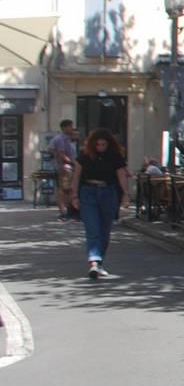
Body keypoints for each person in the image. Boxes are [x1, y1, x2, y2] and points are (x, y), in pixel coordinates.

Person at [72, 127, 129, 279]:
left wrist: (126, 195)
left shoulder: (115, 157)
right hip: (88, 192)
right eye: (98, 145)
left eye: (104, 145)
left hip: (108, 193)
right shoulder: (84, 156)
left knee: (105, 230)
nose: (101, 148)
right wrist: (74, 196)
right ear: (93, 144)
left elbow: (121, 175)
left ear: (109, 144)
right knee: (93, 229)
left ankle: (99, 262)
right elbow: (76, 176)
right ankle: (94, 263)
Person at [48, 118, 79, 220]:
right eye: (70, 126)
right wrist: (72, 163)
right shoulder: (61, 139)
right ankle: (63, 211)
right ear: (65, 127)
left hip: (68, 167)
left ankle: (69, 210)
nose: (72, 128)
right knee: (63, 189)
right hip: (64, 167)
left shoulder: (68, 139)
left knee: (68, 189)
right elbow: (61, 154)